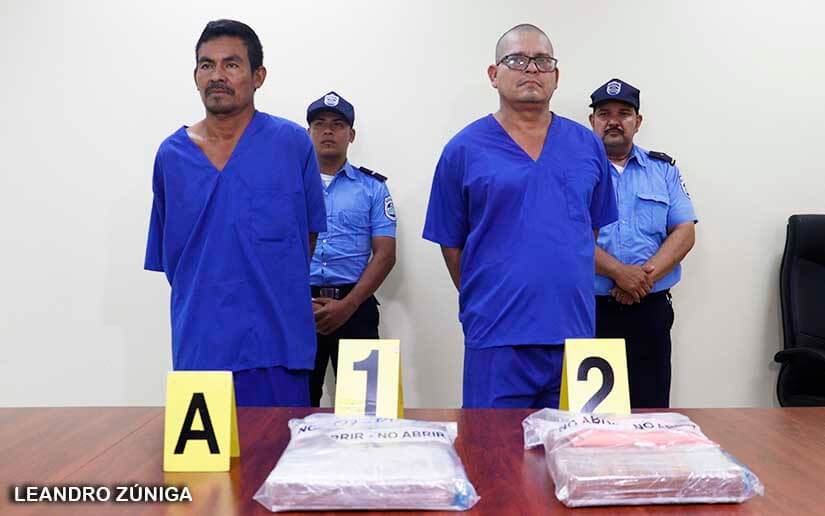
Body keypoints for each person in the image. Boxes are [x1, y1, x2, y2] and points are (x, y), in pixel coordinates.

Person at [422, 24, 618, 408]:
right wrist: (492, 296)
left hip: (574, 336)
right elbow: (452, 244)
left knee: (573, 445)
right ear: (493, 74)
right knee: (492, 445)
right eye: (516, 60)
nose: (531, 68)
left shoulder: (587, 146)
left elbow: (588, 233)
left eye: (542, 61)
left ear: (556, 76)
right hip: (497, 337)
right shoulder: (463, 149)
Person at [144, 19, 326, 406]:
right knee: (204, 450)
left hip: (278, 349)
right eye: (206, 65)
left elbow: (306, 238)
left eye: (231, 64)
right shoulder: (171, 157)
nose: (217, 75)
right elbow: (172, 259)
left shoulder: (292, 145)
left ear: (258, 76)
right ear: (195, 76)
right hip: (201, 349)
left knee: (278, 447)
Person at [589, 78, 697, 408]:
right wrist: (619, 273)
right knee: (595, 417)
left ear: (638, 121)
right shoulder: (575, 172)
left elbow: (684, 231)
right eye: (604, 113)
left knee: (651, 413)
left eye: (624, 113)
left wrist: (640, 279)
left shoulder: (663, 170)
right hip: (592, 310)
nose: (614, 121)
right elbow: (567, 237)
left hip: (649, 310)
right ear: (592, 121)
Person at [305, 91, 397, 407]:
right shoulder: (290, 186)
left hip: (356, 307)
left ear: (351, 134)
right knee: (295, 408)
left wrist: (348, 305)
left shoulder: (373, 187)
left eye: (338, 124)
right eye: (319, 124)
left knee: (367, 410)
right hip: (300, 308)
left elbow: (386, 254)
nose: (328, 131)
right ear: (308, 132)